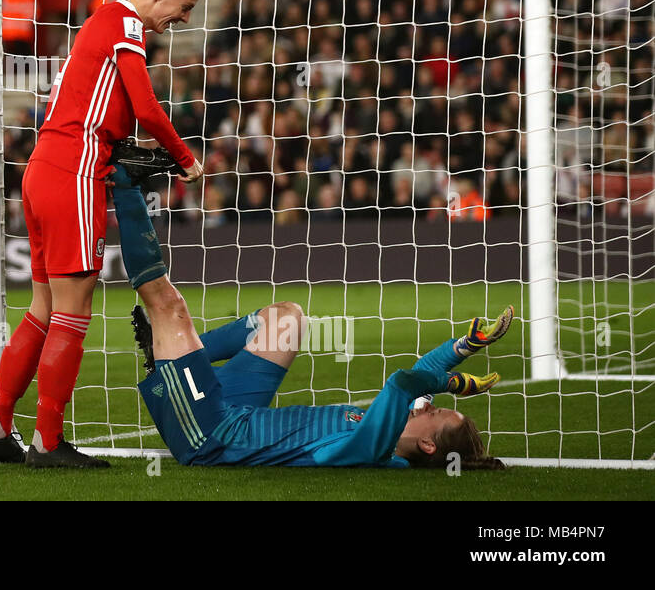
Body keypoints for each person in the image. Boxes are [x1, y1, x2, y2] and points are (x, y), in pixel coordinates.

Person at [0, 0, 206, 468]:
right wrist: (185, 157)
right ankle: (48, 443)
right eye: (184, 7)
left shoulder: (103, 21)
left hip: (44, 168)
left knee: (42, 309)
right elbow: (146, 106)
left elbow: (110, 110)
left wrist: (129, 149)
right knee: (73, 315)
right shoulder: (126, 24)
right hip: (76, 170)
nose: (185, 19)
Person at [108, 162, 511, 469]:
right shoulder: (388, 425)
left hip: (211, 436)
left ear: (427, 446)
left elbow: (403, 382)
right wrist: (463, 346)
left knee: (168, 306)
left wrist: (453, 381)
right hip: (239, 414)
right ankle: (173, 359)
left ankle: (126, 183)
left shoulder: (371, 446)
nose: (430, 406)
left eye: (436, 412)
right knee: (286, 319)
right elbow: (416, 379)